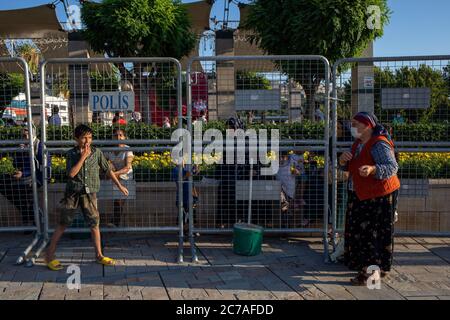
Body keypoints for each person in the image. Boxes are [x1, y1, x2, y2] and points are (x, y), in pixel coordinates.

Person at [45, 124, 129, 271]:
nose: (87, 141)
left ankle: (99, 255)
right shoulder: (71, 154)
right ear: (76, 138)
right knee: (63, 223)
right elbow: (71, 174)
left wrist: (119, 186)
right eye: (84, 137)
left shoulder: (97, 153)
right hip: (73, 194)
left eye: (90, 137)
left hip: (90, 194)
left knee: (94, 224)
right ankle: (49, 256)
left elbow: (108, 170)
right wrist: (83, 157)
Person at [338, 112, 400, 286]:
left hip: (378, 196)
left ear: (367, 125)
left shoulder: (379, 144)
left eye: (356, 123)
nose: (352, 126)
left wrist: (373, 169)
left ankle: (371, 275)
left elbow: (392, 167)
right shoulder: (358, 143)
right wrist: (342, 160)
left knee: (372, 236)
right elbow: (350, 165)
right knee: (362, 234)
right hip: (361, 194)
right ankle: (375, 269)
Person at [0, 126, 46, 227]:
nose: (24, 137)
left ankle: (29, 219)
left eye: (26, 135)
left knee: (23, 194)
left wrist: (24, 173)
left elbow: (41, 166)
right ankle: (30, 216)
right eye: (22, 135)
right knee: (3, 181)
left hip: (35, 177)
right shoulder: (23, 145)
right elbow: (16, 164)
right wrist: (19, 152)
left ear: (32, 134)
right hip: (23, 176)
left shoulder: (39, 145)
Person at [103, 128, 135, 227]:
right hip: (115, 178)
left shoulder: (127, 149)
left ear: (124, 137)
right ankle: (114, 223)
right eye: (116, 135)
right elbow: (102, 162)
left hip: (126, 177)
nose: (118, 137)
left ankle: (114, 223)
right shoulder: (110, 151)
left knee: (118, 199)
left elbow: (127, 167)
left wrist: (113, 174)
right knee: (117, 199)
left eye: (120, 135)